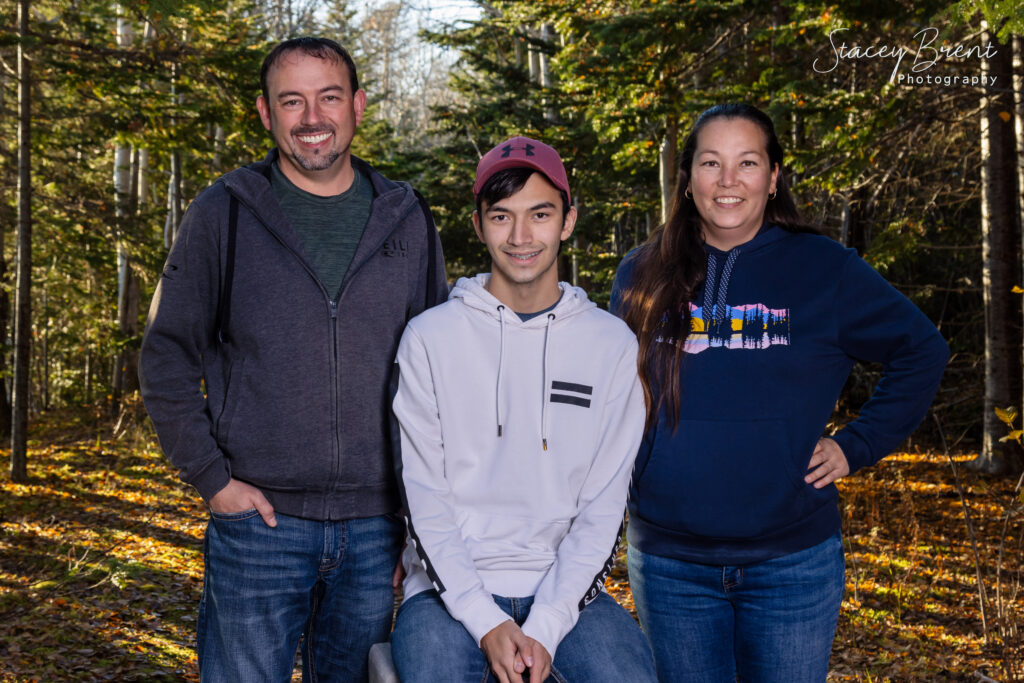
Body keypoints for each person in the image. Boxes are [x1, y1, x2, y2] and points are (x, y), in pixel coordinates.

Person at [139, 37, 447, 682]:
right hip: (259, 525)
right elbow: (166, 353)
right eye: (292, 100)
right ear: (265, 112)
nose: (313, 117)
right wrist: (212, 480)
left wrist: (417, 522)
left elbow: (437, 377)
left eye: (329, 96)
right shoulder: (224, 212)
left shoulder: (407, 217)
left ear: (358, 105)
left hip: (373, 529)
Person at [610, 103, 949, 682]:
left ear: (772, 178)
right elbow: (615, 394)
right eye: (711, 163)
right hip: (669, 562)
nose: (728, 181)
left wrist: (858, 444)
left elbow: (922, 350)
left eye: (747, 163)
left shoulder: (824, 269)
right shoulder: (641, 272)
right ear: (687, 178)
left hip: (791, 562)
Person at [389, 137, 657, 683]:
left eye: (539, 214)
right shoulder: (429, 338)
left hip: (566, 594)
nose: (520, 237)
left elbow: (603, 510)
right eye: (501, 216)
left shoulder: (611, 345)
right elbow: (425, 500)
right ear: (478, 223)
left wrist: (549, 622)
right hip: (447, 594)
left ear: (567, 220)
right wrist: (485, 621)